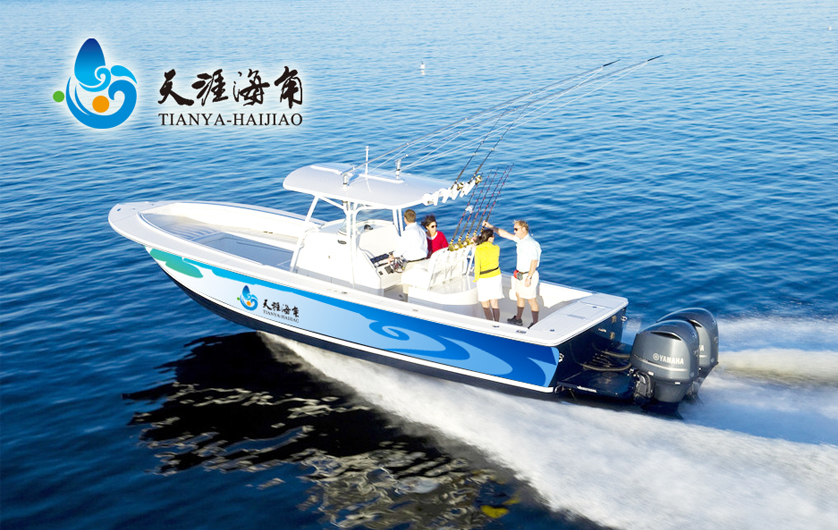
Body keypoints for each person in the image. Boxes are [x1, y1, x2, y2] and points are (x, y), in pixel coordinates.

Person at [483, 219, 541, 327]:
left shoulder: (531, 244)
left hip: (528, 274)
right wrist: (491, 227)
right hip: (520, 274)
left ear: (523, 229)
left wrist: (529, 277)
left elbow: (534, 261)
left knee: (531, 299)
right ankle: (518, 319)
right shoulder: (520, 240)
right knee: (519, 295)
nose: (514, 231)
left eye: (516, 229)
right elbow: (505, 234)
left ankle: (535, 323)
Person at [473, 228, 503, 321]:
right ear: (489, 238)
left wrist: (476, 278)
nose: (494, 238)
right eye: (493, 236)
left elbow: (477, 266)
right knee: (494, 304)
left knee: (485, 304)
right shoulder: (496, 248)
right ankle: (497, 322)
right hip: (496, 276)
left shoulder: (478, 249)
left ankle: (490, 323)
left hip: (483, 278)